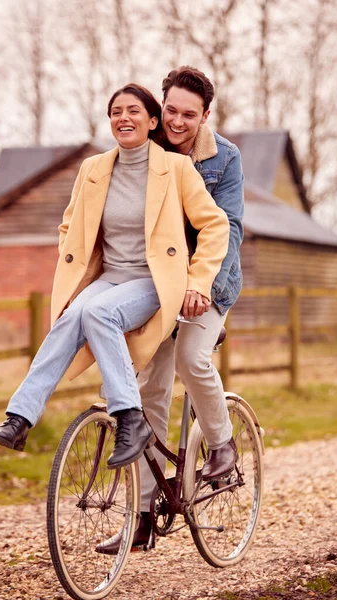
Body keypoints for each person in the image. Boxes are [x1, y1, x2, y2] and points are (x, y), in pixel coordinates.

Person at [0, 83, 229, 470]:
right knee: (70, 319)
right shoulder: (93, 169)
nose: (123, 118)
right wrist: (74, 268)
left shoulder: (177, 168)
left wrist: (199, 282)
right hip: (110, 277)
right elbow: (70, 226)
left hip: (156, 280)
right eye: (116, 111)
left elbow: (216, 226)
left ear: (153, 122)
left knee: (99, 314)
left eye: (134, 111)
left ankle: (129, 416)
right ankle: (21, 417)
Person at [96, 67, 244, 553]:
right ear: (162, 107)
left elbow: (229, 229)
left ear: (205, 116)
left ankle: (221, 444)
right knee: (147, 393)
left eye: (189, 114)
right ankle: (138, 519)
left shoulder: (225, 158)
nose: (177, 122)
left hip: (208, 283)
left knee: (190, 359)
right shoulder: (145, 148)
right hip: (156, 285)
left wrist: (203, 287)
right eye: (172, 111)